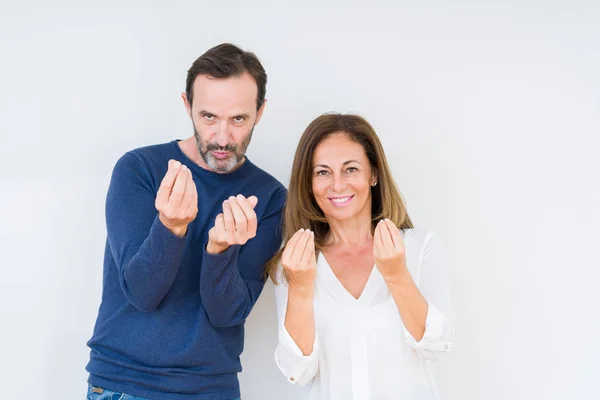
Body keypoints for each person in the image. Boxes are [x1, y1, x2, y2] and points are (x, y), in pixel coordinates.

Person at [85, 43, 286, 400]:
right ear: (187, 106)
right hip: (124, 385)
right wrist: (170, 227)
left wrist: (219, 249)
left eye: (238, 119)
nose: (222, 138)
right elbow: (142, 293)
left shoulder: (269, 197)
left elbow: (227, 314)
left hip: (211, 390)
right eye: (209, 117)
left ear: (260, 111)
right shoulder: (139, 170)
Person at [266, 113, 454, 399]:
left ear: (373, 174)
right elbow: (298, 370)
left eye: (351, 169)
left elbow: (436, 344)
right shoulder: (294, 263)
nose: (337, 185)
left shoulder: (419, 248)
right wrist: (301, 289)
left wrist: (396, 275)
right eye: (322, 172)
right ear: (309, 182)